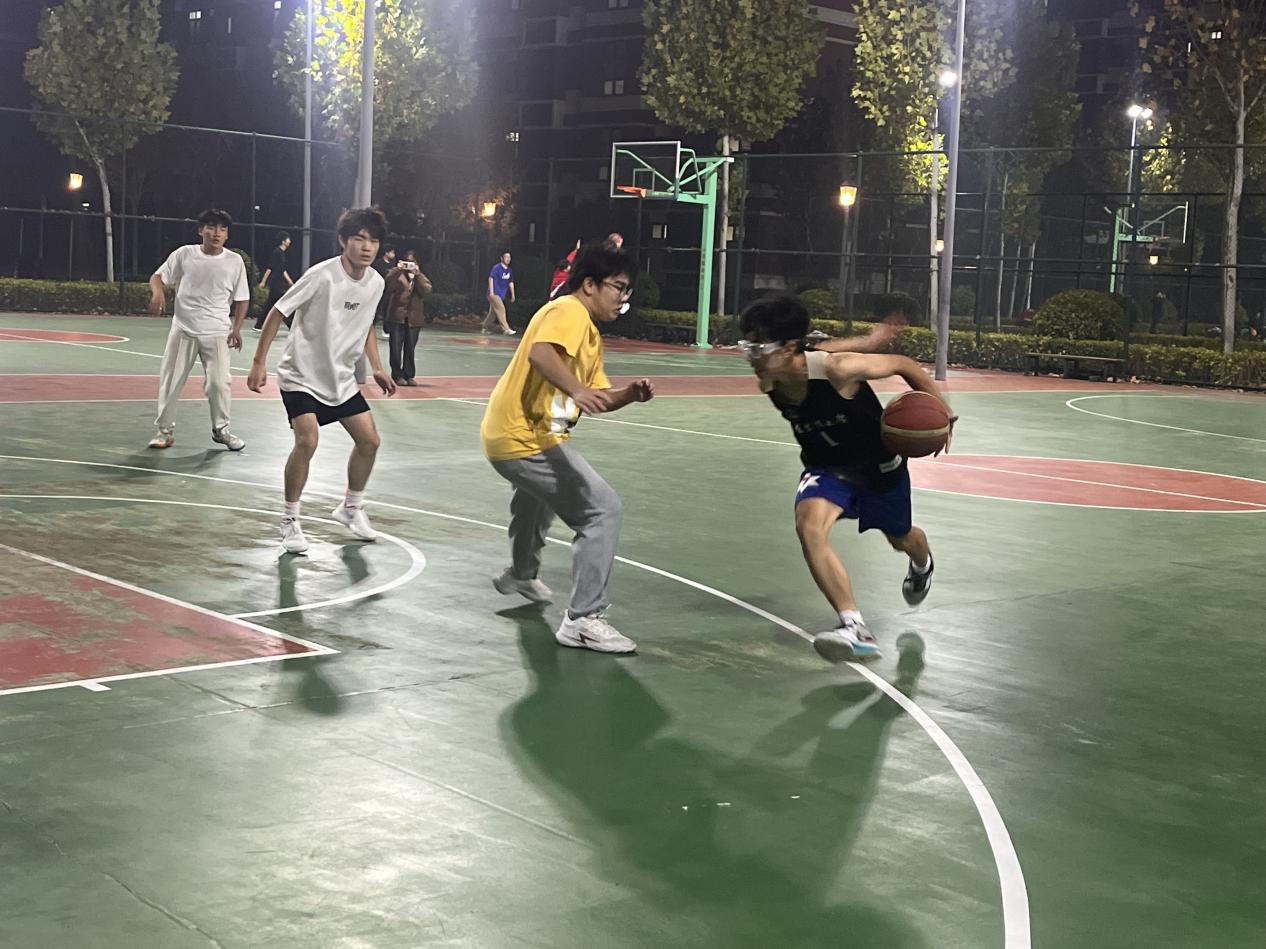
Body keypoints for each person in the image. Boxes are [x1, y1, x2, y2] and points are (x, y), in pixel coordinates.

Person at [737, 291, 952, 663]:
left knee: (902, 538)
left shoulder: (838, 371)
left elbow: (903, 365)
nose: (751, 357)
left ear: (788, 348)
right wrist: (869, 339)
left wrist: (942, 413)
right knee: (809, 527)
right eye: (747, 347)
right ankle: (855, 627)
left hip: (878, 469)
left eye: (759, 348)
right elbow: (818, 345)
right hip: (827, 469)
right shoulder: (771, 380)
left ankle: (922, 564)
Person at [480, 243, 654, 654]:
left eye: (627, 290)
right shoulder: (569, 311)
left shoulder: (587, 331)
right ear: (589, 284)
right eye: (618, 287)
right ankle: (583, 619)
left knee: (536, 501)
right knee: (602, 509)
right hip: (524, 437)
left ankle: (521, 573)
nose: (623, 298)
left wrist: (629, 394)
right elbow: (542, 354)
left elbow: (598, 398)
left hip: (520, 434)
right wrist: (576, 388)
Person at [247, 207, 397, 555]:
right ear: (343, 240)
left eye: (373, 240)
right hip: (300, 375)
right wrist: (258, 362)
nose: (367, 247)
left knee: (370, 441)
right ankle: (289, 519)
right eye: (359, 238)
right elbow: (278, 311)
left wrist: (377, 366)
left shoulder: (376, 283)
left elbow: (366, 326)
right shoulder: (322, 276)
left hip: (340, 379)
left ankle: (351, 507)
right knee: (307, 441)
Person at [146, 208, 251, 451]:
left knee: (219, 384)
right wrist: (158, 292)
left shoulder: (234, 261)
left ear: (227, 235)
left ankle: (221, 430)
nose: (217, 233)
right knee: (171, 381)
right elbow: (157, 277)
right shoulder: (184, 254)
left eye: (222, 229)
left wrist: (236, 329)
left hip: (217, 331)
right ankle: (164, 431)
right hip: (183, 329)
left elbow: (242, 298)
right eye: (211, 227)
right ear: (201, 230)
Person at [383, 249, 432, 386]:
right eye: (407, 262)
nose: (410, 265)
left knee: (410, 348)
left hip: (414, 318)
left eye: (412, 262)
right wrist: (397, 269)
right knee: (395, 348)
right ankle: (397, 375)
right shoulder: (398, 275)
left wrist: (418, 275)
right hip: (397, 317)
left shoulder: (420, 277)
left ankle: (409, 375)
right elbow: (387, 284)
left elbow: (427, 290)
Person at [255, 231, 294, 330]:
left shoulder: (281, 253)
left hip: (279, 283)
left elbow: (283, 270)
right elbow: (270, 268)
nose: (290, 241)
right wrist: (263, 281)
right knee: (282, 304)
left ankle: (258, 325)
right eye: (288, 239)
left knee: (270, 304)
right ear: (283, 241)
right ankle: (291, 325)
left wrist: (290, 282)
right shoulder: (277, 252)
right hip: (276, 283)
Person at [482, 251, 516, 335]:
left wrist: (513, 294)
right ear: (502, 258)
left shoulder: (510, 270)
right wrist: (491, 292)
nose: (508, 259)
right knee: (501, 308)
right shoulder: (497, 267)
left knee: (492, 313)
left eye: (509, 257)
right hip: (494, 293)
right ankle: (506, 329)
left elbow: (510, 282)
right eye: (506, 257)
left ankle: (485, 328)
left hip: (501, 295)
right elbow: (491, 278)